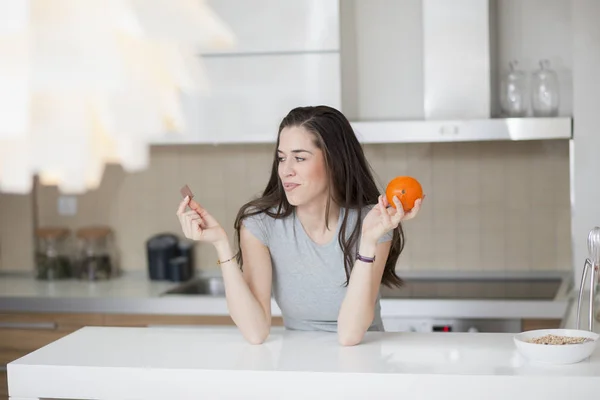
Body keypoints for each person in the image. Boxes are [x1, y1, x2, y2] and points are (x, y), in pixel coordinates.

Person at [176, 105, 423, 346]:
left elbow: (350, 336)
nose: (286, 171)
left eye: (300, 158)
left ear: (333, 161)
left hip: (363, 360)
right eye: (281, 159)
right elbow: (255, 332)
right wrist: (221, 245)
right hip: (296, 361)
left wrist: (368, 242)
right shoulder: (259, 225)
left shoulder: (372, 222)